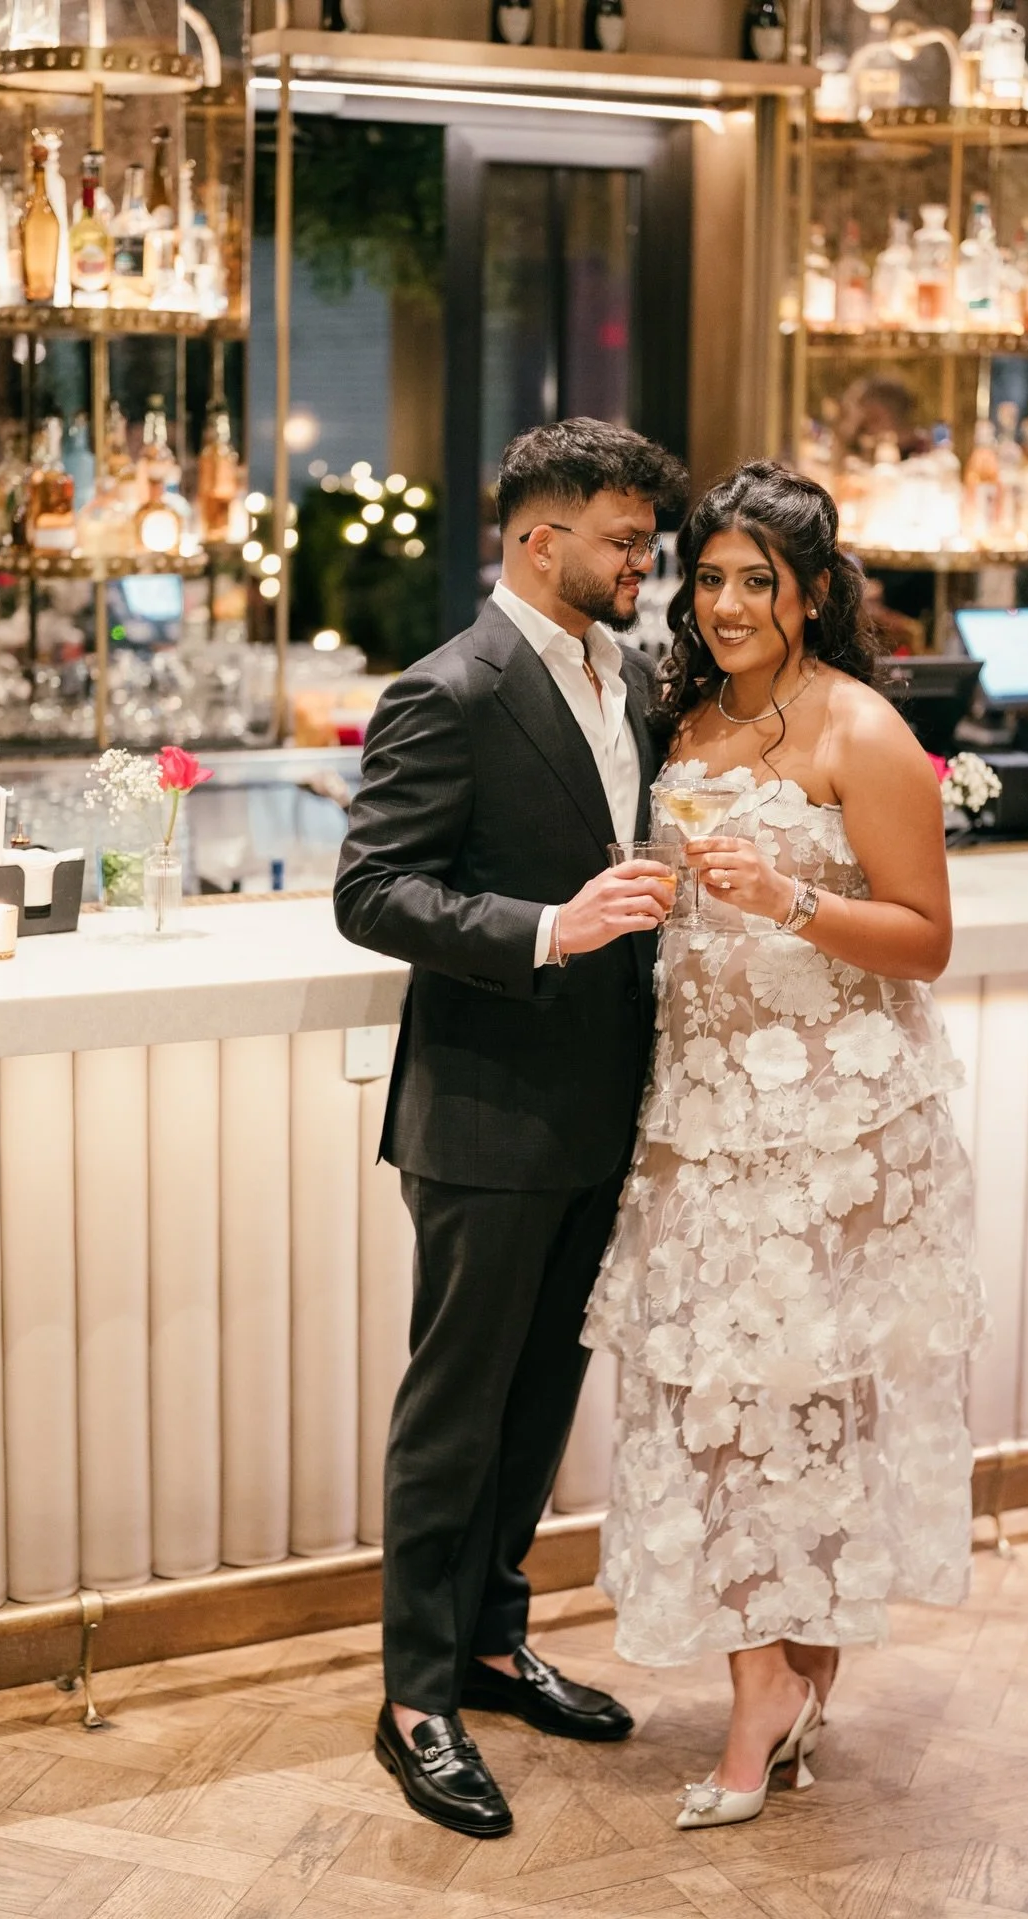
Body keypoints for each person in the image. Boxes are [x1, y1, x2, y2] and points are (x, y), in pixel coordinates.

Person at [582, 460, 987, 1829]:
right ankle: (786, 1670)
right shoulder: (681, 720)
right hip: (700, 1122)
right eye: (710, 577)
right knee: (718, 1406)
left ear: (812, 595)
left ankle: (776, 1690)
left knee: (803, 1406)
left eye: (761, 579)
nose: (731, 601)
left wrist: (794, 898)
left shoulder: (860, 731)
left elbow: (925, 936)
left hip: (836, 1129)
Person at [334, 418, 688, 1839]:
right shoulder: (449, 688)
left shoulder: (637, 676)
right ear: (541, 542)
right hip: (483, 1109)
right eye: (623, 542)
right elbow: (373, 890)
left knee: (538, 1406)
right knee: (453, 1413)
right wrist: (548, 926)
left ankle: (490, 1639)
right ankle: (414, 1695)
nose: (643, 567)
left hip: (608, 1104)